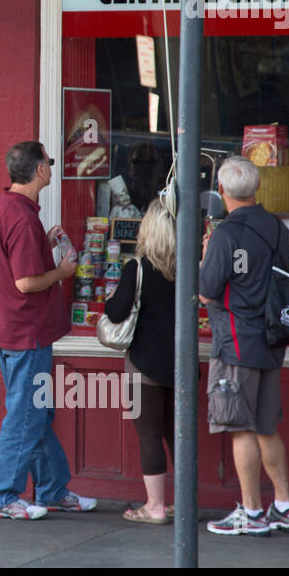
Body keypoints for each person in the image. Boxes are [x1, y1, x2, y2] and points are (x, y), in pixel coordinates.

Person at [0, 140, 96, 520]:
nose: (51, 166)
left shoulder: (3, 208)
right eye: (48, 161)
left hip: (9, 330)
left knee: (37, 414)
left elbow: (14, 263)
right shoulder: (22, 217)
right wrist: (63, 273)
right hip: (26, 334)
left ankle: (51, 489)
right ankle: (2, 496)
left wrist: (42, 244)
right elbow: (26, 283)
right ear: (40, 171)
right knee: (26, 415)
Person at [199, 156, 289, 536]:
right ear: (257, 188)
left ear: (222, 191)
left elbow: (206, 290)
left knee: (240, 427)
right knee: (266, 427)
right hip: (273, 341)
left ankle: (253, 513)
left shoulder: (225, 234)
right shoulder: (279, 230)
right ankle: (285, 505)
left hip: (235, 343)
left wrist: (208, 253)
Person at [103, 199, 177, 524]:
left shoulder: (137, 268)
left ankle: (155, 506)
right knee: (178, 435)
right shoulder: (187, 268)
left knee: (149, 434)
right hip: (180, 366)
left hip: (144, 365)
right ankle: (185, 502)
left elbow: (116, 312)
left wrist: (110, 299)